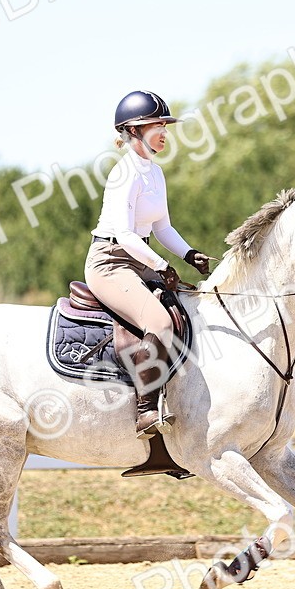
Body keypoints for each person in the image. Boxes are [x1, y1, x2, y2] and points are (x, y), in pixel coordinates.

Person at [86, 90, 212, 439]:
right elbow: (125, 234)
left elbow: (163, 227)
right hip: (110, 262)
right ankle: (144, 412)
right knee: (158, 320)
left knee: (188, 312)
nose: (163, 132)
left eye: (164, 125)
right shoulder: (123, 174)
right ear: (133, 131)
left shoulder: (155, 173)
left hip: (139, 259)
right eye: (156, 125)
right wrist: (160, 263)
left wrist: (188, 254)